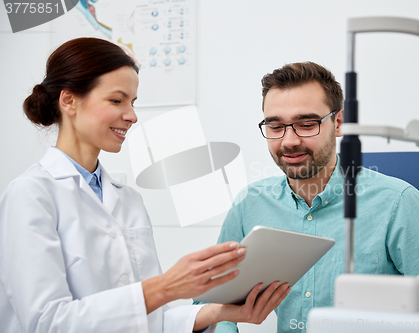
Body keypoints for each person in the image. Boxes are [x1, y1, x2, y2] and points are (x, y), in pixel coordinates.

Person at [0, 37, 290, 333]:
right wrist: (165, 286)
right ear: (69, 100)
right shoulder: (31, 194)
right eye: (117, 100)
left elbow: (151, 319)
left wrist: (218, 311)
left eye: (133, 102)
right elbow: (46, 323)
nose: (132, 115)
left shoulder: (128, 201)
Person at [212, 62, 419, 333]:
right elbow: (210, 304)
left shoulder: (399, 202)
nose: (289, 141)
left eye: (306, 124)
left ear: (338, 123)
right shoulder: (250, 204)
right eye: (276, 126)